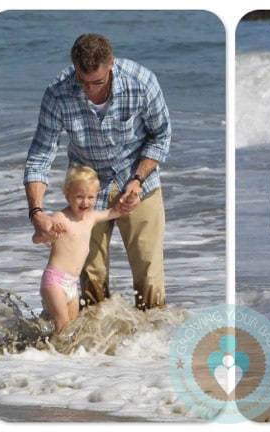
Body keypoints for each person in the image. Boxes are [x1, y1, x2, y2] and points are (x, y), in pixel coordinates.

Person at [24, 33, 171, 310]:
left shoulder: (142, 82)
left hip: (139, 182)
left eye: (97, 82)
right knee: (91, 282)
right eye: (83, 81)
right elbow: (40, 156)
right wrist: (36, 212)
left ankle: (152, 349)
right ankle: (93, 352)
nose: (89, 89)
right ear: (74, 69)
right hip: (86, 191)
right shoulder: (58, 93)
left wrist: (138, 179)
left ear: (111, 64)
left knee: (149, 278)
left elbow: (161, 136)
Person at [33, 167, 125, 335]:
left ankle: (61, 359)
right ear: (68, 195)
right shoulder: (60, 218)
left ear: (97, 195)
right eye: (79, 197)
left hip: (72, 284)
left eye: (91, 197)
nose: (85, 202)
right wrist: (51, 234)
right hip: (55, 281)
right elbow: (36, 238)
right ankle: (52, 359)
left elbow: (114, 212)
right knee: (62, 324)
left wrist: (129, 202)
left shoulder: (92, 217)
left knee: (72, 329)